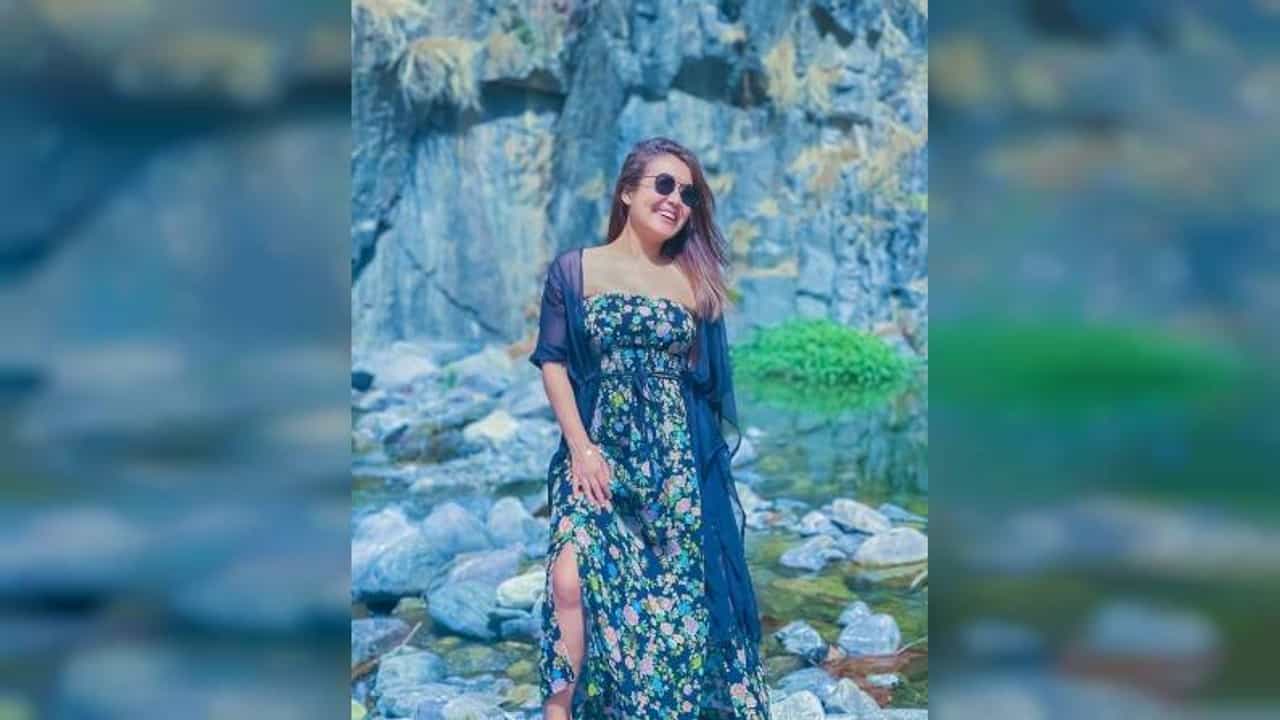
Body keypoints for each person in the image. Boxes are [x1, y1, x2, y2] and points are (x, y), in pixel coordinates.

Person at [530, 137, 770, 719]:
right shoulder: (576, 269)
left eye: (688, 194)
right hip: (598, 456)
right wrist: (581, 448)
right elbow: (552, 361)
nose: (676, 200)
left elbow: (708, 392)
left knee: (672, 610)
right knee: (569, 578)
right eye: (664, 184)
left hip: (674, 470)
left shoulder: (695, 282)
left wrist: (705, 494)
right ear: (626, 191)